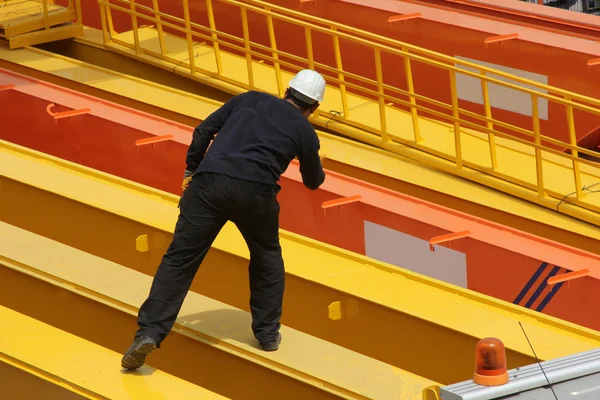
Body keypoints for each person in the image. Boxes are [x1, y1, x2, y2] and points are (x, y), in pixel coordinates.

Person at [121, 69, 327, 370]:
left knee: (180, 259)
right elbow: (313, 181)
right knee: (266, 256)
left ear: (286, 91)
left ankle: (149, 332)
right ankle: (267, 335)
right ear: (314, 108)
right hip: (256, 193)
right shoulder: (305, 131)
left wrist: (192, 169)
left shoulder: (249, 99)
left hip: (209, 183)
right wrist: (313, 158)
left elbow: (203, 131)